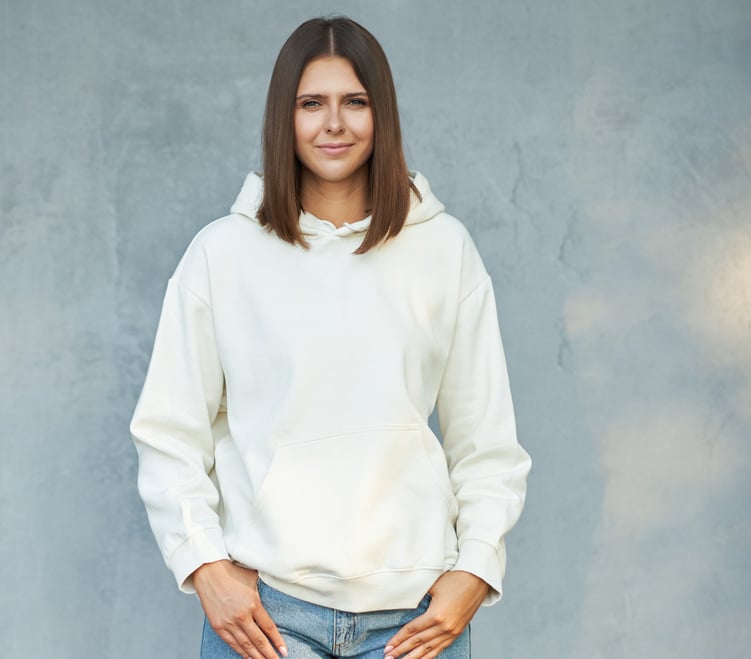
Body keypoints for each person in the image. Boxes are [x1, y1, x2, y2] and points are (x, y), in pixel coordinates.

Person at [129, 15, 532, 659]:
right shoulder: (223, 254)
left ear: (383, 115)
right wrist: (205, 568)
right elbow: (168, 433)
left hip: (413, 620)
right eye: (311, 103)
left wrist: (476, 570)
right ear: (282, 118)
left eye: (355, 102)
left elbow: (486, 443)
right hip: (268, 617)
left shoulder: (444, 249)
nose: (334, 123)